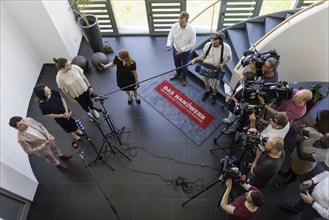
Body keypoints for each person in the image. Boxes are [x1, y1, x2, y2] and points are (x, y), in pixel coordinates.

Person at [191, 33, 232, 104]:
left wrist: (221, 64)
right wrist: (195, 59)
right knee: (206, 82)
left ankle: (214, 94)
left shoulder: (226, 47)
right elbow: (203, 56)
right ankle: (207, 91)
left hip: (215, 69)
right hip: (205, 67)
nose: (213, 43)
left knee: (215, 85)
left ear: (221, 41)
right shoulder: (208, 44)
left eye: (215, 42)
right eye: (212, 40)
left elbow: (229, 58)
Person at [222, 66, 257, 133]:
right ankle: (229, 119)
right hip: (232, 103)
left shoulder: (249, 91)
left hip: (238, 108)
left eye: (241, 76)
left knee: (235, 119)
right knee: (231, 114)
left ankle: (231, 129)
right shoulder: (241, 81)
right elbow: (236, 89)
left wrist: (233, 98)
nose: (239, 77)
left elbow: (243, 104)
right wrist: (232, 93)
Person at [165, 11, 196, 86]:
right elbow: (170, 36)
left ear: (187, 21)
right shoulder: (175, 26)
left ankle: (184, 77)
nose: (179, 23)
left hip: (185, 52)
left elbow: (192, 43)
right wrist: (169, 44)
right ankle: (178, 74)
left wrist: (182, 49)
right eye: (179, 21)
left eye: (182, 22)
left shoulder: (191, 30)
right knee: (177, 63)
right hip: (175, 48)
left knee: (184, 65)